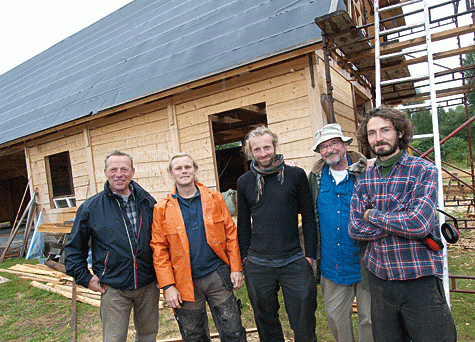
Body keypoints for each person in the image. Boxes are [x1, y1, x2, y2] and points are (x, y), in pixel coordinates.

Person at [349, 107, 457, 341]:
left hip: (418, 278)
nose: (378, 138)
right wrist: (399, 222)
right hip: (380, 281)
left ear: (399, 132)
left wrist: (372, 214)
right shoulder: (365, 178)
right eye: (371, 133)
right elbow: (355, 228)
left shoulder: (423, 170)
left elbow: (418, 223)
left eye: (385, 130)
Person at [150, 153, 246, 342]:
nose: (184, 171)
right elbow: (159, 250)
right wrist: (168, 286)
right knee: (194, 336)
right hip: (184, 282)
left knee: (233, 329)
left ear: (195, 170)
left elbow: (230, 235)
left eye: (187, 167)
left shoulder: (215, 199)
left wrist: (236, 268)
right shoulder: (161, 209)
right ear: (171, 174)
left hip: (217, 276)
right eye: (178, 168)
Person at [65, 150, 159, 342]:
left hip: (148, 285)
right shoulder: (91, 208)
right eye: (113, 169)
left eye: (124, 169)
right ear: (105, 172)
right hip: (113, 288)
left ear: (132, 172)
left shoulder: (148, 202)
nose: (119, 174)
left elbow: (162, 242)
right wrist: (85, 278)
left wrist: (163, 275)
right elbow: (74, 249)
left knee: (148, 336)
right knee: (114, 338)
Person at [237, 125, 318, 342]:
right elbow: (243, 225)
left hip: (293, 261)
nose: (263, 153)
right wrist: (245, 259)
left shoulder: (295, 175)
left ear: (275, 146)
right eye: (257, 149)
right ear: (250, 152)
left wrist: (309, 256)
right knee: (266, 322)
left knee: (304, 323)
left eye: (266, 147)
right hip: (258, 263)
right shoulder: (244, 182)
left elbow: (309, 218)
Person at [308, 123, 373, 342]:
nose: (329, 150)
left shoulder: (366, 172)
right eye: (323, 147)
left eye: (333, 143)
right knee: (336, 318)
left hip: (366, 261)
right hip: (332, 264)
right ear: (319, 152)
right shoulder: (315, 179)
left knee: (369, 319)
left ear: (345, 144)